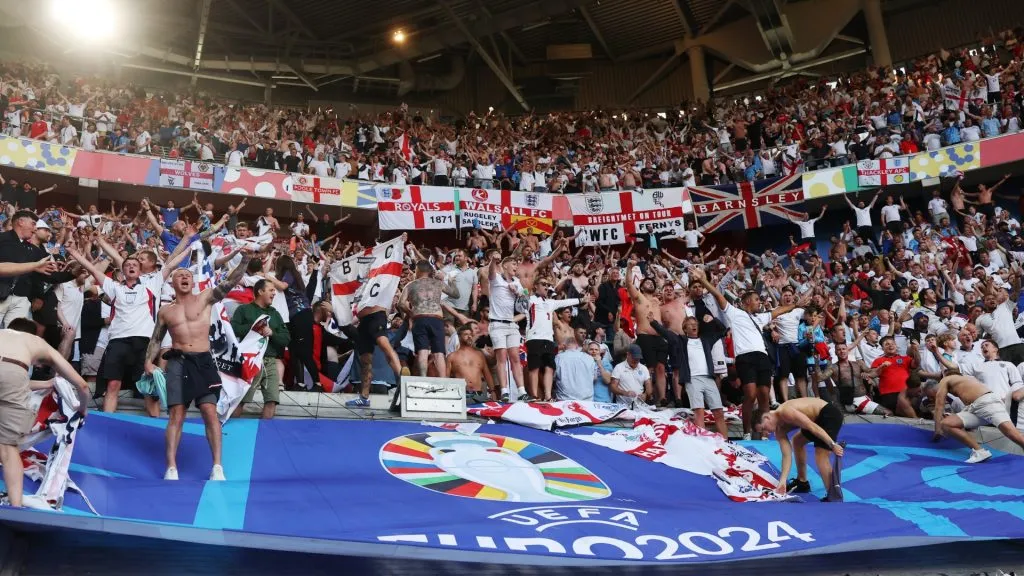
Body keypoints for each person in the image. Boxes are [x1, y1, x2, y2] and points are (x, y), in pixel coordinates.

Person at [143, 248, 252, 481]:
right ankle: (171, 467)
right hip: (178, 362)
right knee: (176, 415)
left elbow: (230, 283)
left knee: (210, 412)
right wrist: (148, 363)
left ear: (192, 281)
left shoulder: (205, 297)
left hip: (204, 361)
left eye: (187, 275)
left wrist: (246, 260)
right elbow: (155, 339)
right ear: (172, 282)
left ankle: (217, 467)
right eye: (179, 275)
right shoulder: (165, 311)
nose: (184, 277)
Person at [691, 265, 808, 440]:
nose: (759, 302)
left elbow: (778, 311)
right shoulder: (734, 313)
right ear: (746, 302)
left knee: (763, 397)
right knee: (750, 395)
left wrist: (796, 305)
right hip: (745, 358)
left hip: (762, 357)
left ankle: (763, 432)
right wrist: (702, 280)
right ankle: (746, 432)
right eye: (755, 299)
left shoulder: (760, 317)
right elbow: (718, 295)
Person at [0, 318, 89, 508]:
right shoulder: (37, 343)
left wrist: (47, 384)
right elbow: (82, 384)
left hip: (13, 376)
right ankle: (16, 508)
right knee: (8, 449)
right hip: (14, 374)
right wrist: (82, 409)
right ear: (33, 334)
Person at [760, 397, 845, 501]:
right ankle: (802, 481)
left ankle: (833, 496)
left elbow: (812, 427)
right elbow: (786, 455)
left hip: (828, 414)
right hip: (814, 421)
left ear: (767, 418)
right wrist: (782, 481)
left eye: (764, 428)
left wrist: (832, 444)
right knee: (797, 441)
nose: (766, 433)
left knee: (821, 456)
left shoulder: (786, 412)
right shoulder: (779, 431)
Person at [928, 374, 1024, 463]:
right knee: (947, 423)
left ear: (934, 389)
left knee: (1012, 433)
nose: (931, 398)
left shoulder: (944, 381)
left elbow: (939, 406)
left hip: (987, 402)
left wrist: (937, 430)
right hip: (974, 407)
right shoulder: (964, 379)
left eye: (930, 395)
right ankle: (980, 452)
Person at [231, 279, 291, 419]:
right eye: (271, 290)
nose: (274, 293)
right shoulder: (243, 309)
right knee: (242, 400)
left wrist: (273, 333)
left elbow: (286, 338)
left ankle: (266, 434)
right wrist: (254, 328)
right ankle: (229, 432)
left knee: (272, 400)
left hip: (270, 361)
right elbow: (233, 330)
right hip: (251, 361)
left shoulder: (275, 313)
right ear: (260, 291)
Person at [399, 260, 460, 379]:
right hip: (436, 318)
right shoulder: (438, 283)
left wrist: (411, 314)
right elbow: (456, 294)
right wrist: (452, 281)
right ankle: (443, 380)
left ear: (418, 270)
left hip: (419, 318)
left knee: (422, 351)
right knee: (439, 352)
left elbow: (401, 304)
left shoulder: (411, 285)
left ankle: (422, 378)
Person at [525, 277, 584, 401]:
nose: (546, 286)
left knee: (549, 367)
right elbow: (520, 303)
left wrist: (582, 299)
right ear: (536, 286)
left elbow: (566, 302)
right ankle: (534, 396)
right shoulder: (530, 300)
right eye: (543, 284)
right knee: (534, 367)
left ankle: (548, 396)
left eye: (547, 285)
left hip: (548, 339)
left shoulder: (551, 302)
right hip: (534, 338)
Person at [626, 256, 669, 404]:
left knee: (661, 368)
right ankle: (650, 396)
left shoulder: (658, 300)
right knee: (649, 369)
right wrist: (630, 268)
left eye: (652, 282)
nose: (650, 283)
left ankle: (662, 397)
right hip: (645, 337)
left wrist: (657, 273)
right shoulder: (638, 297)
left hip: (660, 337)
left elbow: (667, 287)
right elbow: (629, 285)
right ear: (642, 287)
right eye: (647, 282)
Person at [488, 251, 528, 402]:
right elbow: (491, 272)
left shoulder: (517, 281)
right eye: (513, 264)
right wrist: (493, 260)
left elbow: (525, 302)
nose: (516, 267)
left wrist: (517, 292)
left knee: (515, 358)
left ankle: (522, 391)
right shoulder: (496, 278)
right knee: (502, 357)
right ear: (504, 265)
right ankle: (504, 391)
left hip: (512, 324)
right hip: (497, 323)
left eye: (517, 265)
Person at [446, 324, 496, 401]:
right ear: (459, 337)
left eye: (470, 334)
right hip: (461, 394)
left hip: (479, 393)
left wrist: (493, 391)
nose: (469, 336)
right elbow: (446, 378)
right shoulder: (452, 356)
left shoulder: (479, 354)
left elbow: (487, 374)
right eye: (466, 334)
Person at [554, 336, 597, 401]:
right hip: (586, 400)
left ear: (564, 346)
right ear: (577, 346)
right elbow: (594, 378)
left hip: (564, 399)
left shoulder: (558, 358)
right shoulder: (589, 358)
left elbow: (553, 377)